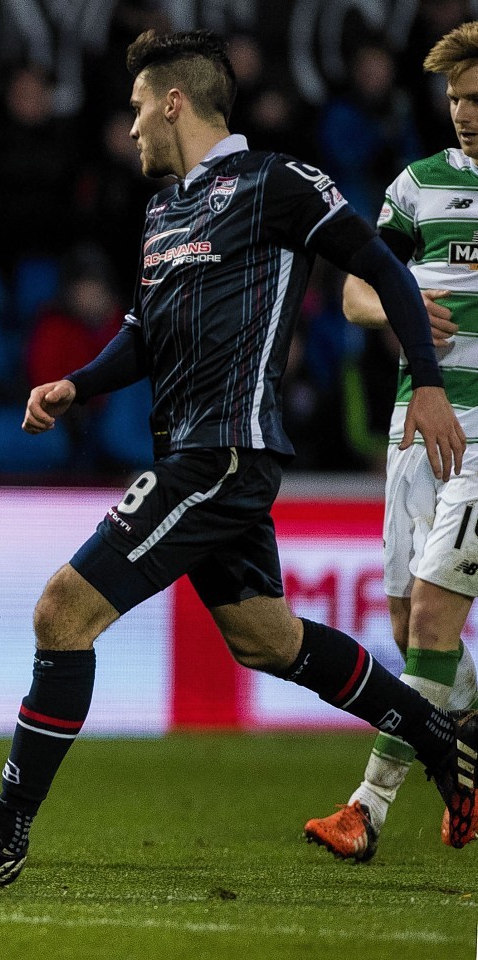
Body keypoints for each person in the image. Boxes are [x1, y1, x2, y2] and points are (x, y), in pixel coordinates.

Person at [0, 29, 478, 888]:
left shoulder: (277, 183)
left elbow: (384, 270)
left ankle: (3, 831)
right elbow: (141, 331)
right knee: (266, 640)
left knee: (61, 612)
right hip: (194, 451)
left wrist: (425, 383)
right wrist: (76, 386)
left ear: (174, 102)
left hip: (222, 455)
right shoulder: (165, 210)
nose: (128, 130)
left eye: (135, 110)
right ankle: (443, 745)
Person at [304, 22, 478, 863]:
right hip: (416, 419)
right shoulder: (418, 185)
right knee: (412, 625)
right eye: (455, 99)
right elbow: (351, 297)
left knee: (439, 616)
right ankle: (469, 748)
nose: (464, 114)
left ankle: (365, 808)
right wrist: (396, 305)